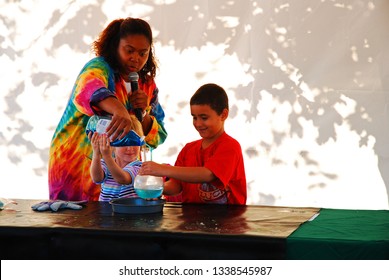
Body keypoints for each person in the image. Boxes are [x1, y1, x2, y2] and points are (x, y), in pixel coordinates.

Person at [49, 17, 167, 201]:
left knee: (116, 225)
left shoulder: (147, 85)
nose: (136, 58)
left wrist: (142, 114)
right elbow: (87, 91)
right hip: (78, 165)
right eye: (129, 51)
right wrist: (119, 109)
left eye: (143, 53)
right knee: (77, 224)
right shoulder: (99, 67)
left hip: (123, 181)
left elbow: (157, 137)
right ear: (115, 46)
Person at [139, 83, 247, 205]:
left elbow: (208, 174)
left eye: (204, 117)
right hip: (191, 221)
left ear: (223, 115)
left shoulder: (230, 146)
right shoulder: (188, 149)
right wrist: (155, 189)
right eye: (194, 117)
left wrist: (163, 169)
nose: (198, 123)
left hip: (227, 221)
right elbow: (176, 186)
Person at [89, 115, 143, 201]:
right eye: (124, 143)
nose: (130, 148)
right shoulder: (105, 163)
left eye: (134, 143)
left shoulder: (139, 167)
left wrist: (107, 156)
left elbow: (123, 179)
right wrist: (96, 153)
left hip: (129, 212)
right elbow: (97, 179)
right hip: (106, 212)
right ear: (112, 144)